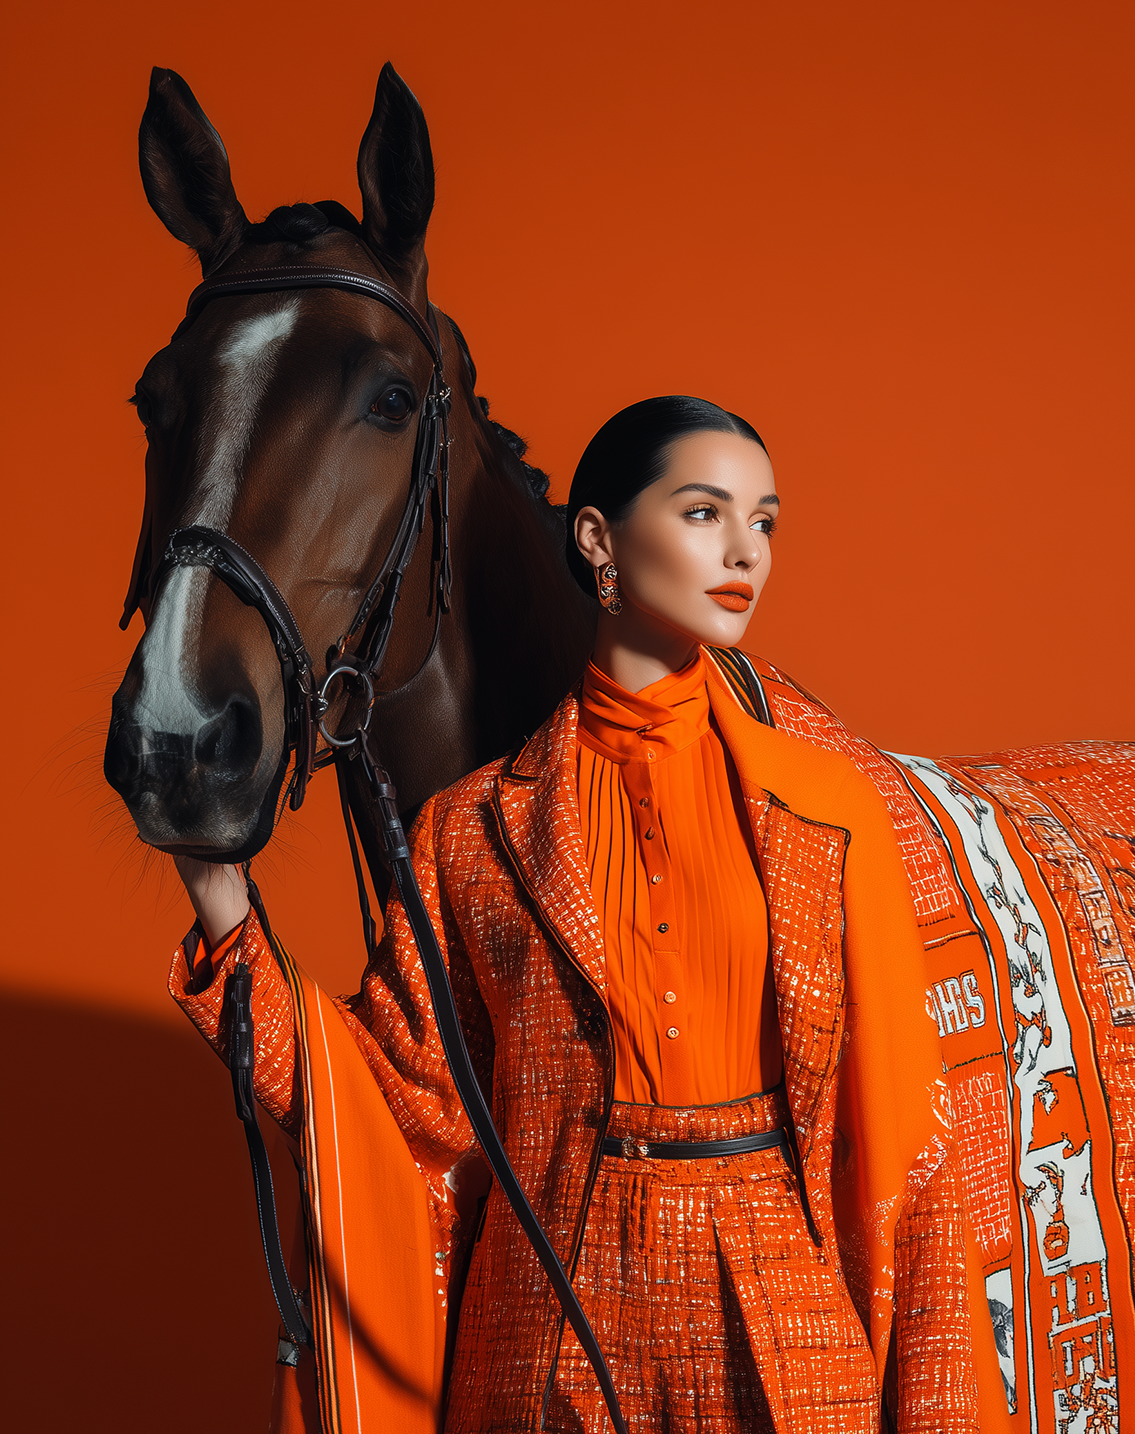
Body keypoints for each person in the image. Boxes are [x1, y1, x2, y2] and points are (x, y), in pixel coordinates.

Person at [174, 396, 985, 1432]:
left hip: (785, 1321)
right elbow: (392, 1108)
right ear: (598, 539)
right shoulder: (468, 834)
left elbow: (911, 1156)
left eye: (765, 520)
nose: (746, 551)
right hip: (545, 1321)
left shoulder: (826, 809)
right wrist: (221, 902)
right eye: (704, 513)